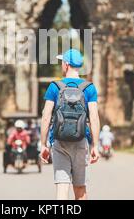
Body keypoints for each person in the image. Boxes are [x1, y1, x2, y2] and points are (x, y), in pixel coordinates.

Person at [40, 49, 100, 200]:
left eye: (62, 62)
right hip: (81, 141)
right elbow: (94, 118)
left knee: (62, 185)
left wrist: (43, 144)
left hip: (59, 141)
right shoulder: (89, 88)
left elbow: (46, 117)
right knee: (80, 187)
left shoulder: (55, 86)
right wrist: (95, 145)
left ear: (66, 64)